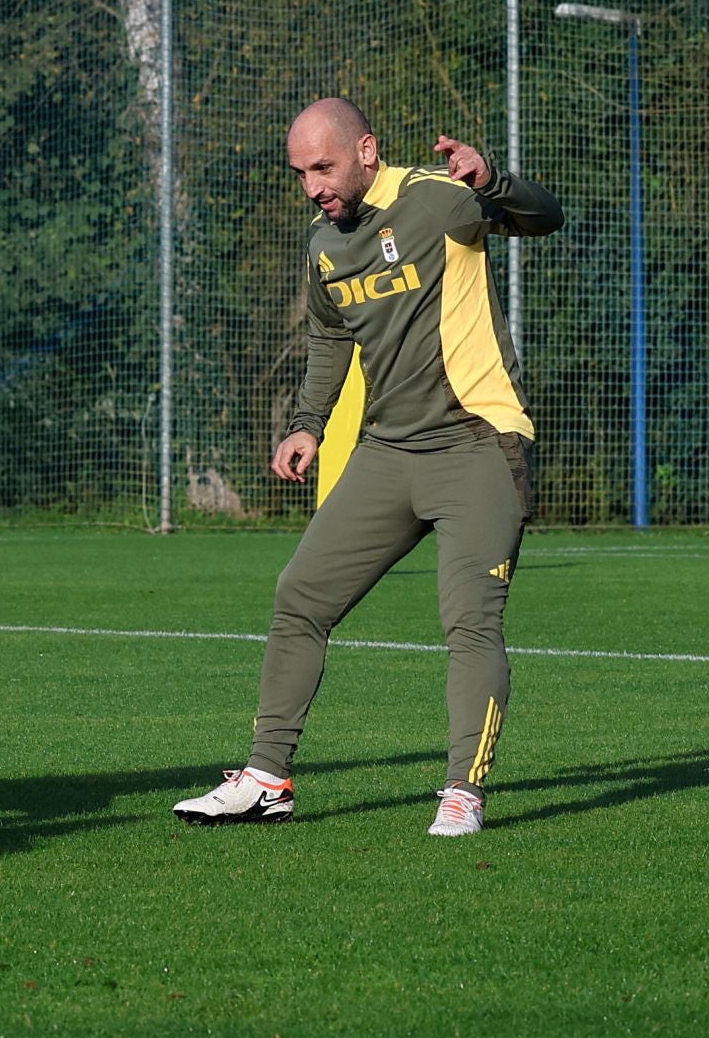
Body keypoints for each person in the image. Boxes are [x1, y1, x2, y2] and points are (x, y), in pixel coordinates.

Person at [173, 98, 564, 837]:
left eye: (323, 167)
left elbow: (548, 218)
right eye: (300, 172)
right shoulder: (325, 243)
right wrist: (306, 426)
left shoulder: (441, 200)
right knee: (300, 597)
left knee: (470, 624)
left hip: (478, 443)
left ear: (367, 152)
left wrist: (494, 183)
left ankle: (462, 793)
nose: (312, 185)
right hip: (389, 453)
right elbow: (330, 340)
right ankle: (266, 778)